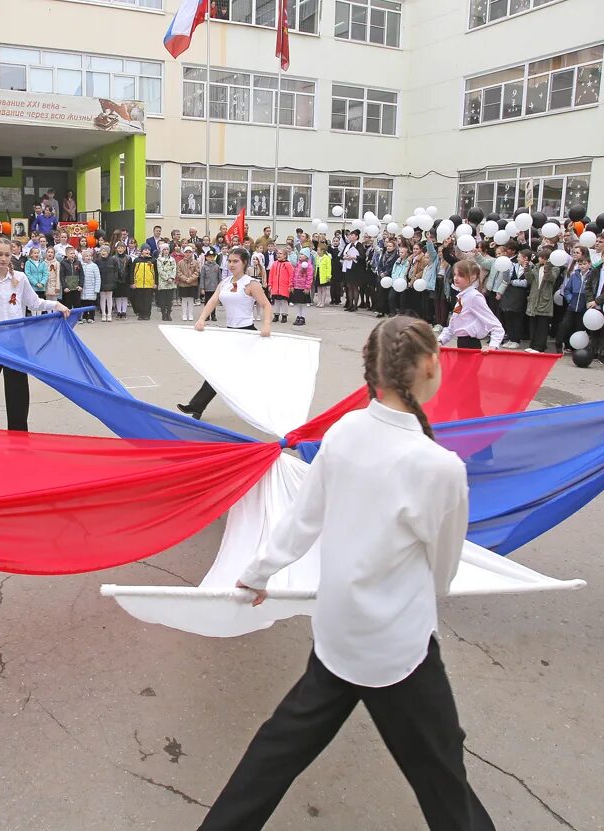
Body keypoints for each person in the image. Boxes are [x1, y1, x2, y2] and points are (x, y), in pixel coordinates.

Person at [200, 316, 493, 831]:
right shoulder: (439, 467)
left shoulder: (345, 431)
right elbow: (442, 574)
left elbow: (300, 520)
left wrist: (257, 573)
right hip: (398, 648)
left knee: (278, 750)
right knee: (442, 772)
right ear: (428, 366)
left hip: (338, 632)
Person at [0, 238, 70, 430]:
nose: (3, 258)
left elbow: (34, 302)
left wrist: (56, 305)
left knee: (17, 397)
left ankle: (18, 437)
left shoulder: (20, 279)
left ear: (12, 256)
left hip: (16, 345)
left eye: (7, 254)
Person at [177, 246, 273, 420]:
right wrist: (202, 319)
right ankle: (196, 407)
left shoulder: (252, 284)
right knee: (217, 371)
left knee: (248, 376)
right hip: (230, 333)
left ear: (244, 263)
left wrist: (266, 326)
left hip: (247, 334)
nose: (231, 264)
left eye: (235, 261)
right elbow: (213, 301)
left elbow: (266, 305)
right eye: (229, 261)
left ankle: (266, 410)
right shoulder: (225, 282)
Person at [437, 259, 502, 351]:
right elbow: (453, 324)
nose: (456, 278)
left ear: (473, 277)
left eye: (461, 275)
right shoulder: (462, 297)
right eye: (455, 274)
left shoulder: (474, 297)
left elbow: (495, 324)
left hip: (471, 345)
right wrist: (440, 341)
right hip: (462, 343)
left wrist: (493, 346)